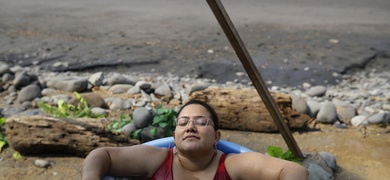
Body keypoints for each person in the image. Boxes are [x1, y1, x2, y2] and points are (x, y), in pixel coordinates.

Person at [82, 99, 308, 180]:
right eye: (182, 122)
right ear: (174, 136)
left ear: (217, 137)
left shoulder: (230, 165)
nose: (190, 126)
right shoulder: (158, 159)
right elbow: (102, 155)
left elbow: (295, 172)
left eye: (201, 122)